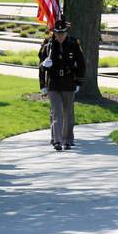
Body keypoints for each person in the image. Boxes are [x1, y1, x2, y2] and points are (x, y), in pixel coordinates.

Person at [39, 17, 86, 151]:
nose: (60, 36)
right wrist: (42, 83)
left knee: (68, 113)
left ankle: (67, 139)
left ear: (66, 33)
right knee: (57, 111)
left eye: (62, 33)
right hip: (53, 83)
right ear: (54, 32)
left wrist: (79, 81)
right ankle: (57, 140)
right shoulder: (48, 45)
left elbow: (81, 64)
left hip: (68, 82)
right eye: (57, 33)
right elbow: (41, 66)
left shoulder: (73, 44)